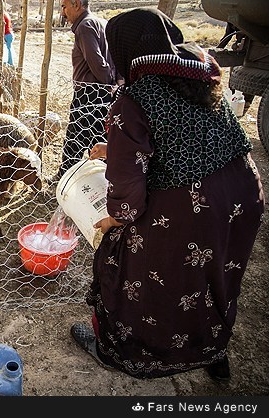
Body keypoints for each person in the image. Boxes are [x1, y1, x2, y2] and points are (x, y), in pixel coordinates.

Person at [70, 7, 265, 380]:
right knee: (214, 277)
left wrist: (111, 221)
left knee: (129, 259)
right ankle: (211, 350)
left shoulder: (135, 99)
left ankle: (122, 350)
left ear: (124, 52)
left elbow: (127, 200)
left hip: (190, 205)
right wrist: (116, 148)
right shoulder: (198, 80)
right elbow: (185, 138)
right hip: (242, 196)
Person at [51, 0, 119, 181]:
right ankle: (98, 178)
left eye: (64, 7)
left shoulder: (85, 27)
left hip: (90, 93)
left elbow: (97, 62)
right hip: (103, 93)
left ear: (76, 4)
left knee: (78, 138)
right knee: (93, 136)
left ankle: (69, 178)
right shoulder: (102, 23)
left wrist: (107, 82)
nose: (63, 13)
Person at [0, 2, 15, 66]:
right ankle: (9, 61)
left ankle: (10, 62)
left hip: (7, 34)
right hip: (9, 33)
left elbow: (2, 24)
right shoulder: (5, 14)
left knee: (8, 49)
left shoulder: (2, 15)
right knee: (8, 48)